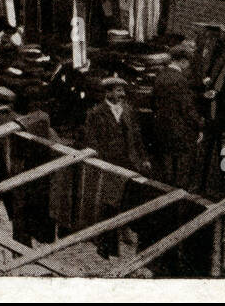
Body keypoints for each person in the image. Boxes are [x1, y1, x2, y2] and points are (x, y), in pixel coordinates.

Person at [79, 76, 151, 259]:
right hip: (108, 163)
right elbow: (91, 140)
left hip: (129, 161)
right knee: (109, 202)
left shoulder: (128, 110)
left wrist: (143, 158)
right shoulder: (95, 113)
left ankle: (125, 229)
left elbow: (137, 137)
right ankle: (107, 245)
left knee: (127, 198)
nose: (122, 94)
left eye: (122, 90)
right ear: (108, 92)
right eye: (118, 91)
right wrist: (98, 161)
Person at [149, 43, 205, 190]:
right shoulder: (180, 80)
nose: (187, 66)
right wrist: (200, 126)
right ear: (183, 61)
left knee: (166, 168)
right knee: (181, 170)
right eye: (187, 63)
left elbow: (153, 103)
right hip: (180, 132)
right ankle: (180, 198)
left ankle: (165, 194)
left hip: (161, 129)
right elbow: (186, 109)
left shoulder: (160, 76)